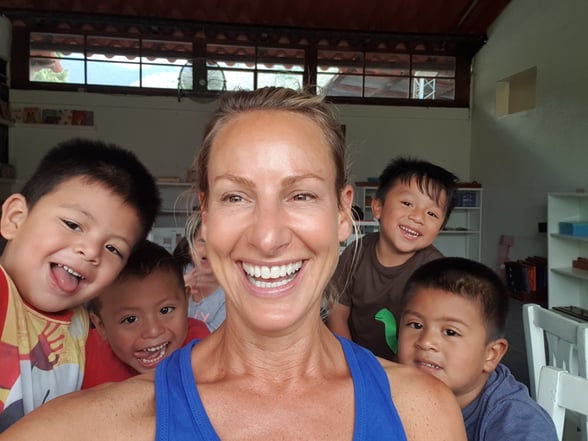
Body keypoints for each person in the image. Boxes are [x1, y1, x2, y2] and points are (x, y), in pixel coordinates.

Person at [0, 87, 466, 441]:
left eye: (301, 194)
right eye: (236, 197)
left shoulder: (422, 414)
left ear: (344, 213)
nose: (267, 237)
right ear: (206, 215)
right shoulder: (99, 426)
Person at [0, 138, 160, 431]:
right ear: (15, 218)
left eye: (113, 249)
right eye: (73, 225)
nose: (91, 251)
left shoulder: (87, 334)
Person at [397, 257, 558, 441]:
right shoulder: (389, 386)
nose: (425, 342)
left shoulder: (517, 422)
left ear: (491, 354)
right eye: (415, 325)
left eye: (450, 332)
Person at [327, 156, 458, 360]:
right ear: (378, 207)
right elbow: (337, 314)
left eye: (432, 214)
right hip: (353, 356)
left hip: (408, 368)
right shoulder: (356, 253)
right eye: (407, 203)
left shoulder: (435, 270)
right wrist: (352, 362)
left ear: (440, 229)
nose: (417, 217)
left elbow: (435, 337)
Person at [82, 239, 210, 389]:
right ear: (100, 326)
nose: (153, 331)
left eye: (165, 310)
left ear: (186, 300)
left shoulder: (200, 347)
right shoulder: (84, 361)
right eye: (130, 319)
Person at [172, 218, 226, 332]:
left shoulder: (228, 293)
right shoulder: (176, 273)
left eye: (216, 243)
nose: (207, 249)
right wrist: (176, 291)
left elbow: (212, 336)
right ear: (190, 248)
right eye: (202, 241)